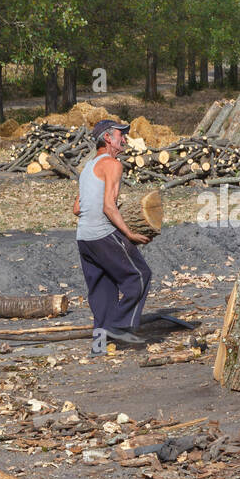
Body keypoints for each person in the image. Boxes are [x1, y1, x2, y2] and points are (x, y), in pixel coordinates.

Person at [72, 119, 152, 348]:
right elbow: (108, 206)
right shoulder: (113, 164)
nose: (124, 140)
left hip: (84, 239)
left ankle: (100, 344)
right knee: (139, 276)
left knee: (102, 290)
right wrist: (129, 233)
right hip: (103, 234)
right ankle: (120, 328)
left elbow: (77, 208)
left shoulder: (87, 167)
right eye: (121, 136)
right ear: (108, 138)